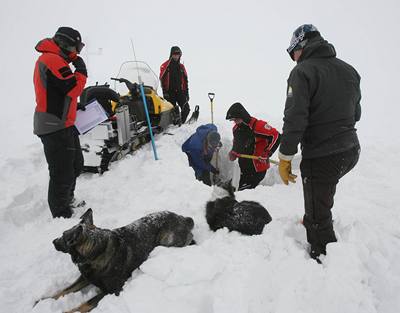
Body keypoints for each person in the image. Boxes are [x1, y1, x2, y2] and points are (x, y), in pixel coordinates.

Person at [278, 24, 361, 262]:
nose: (293, 59)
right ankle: (319, 210)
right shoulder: (350, 71)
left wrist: (285, 156)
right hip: (351, 150)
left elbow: (295, 118)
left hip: (323, 154)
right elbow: (356, 113)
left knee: (317, 218)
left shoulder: (302, 72)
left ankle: (324, 262)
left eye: (292, 52)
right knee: (322, 193)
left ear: (300, 46)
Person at [33, 27, 88, 218]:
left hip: (64, 123)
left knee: (75, 165)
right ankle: (60, 213)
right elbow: (73, 87)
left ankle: (67, 197)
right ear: (65, 45)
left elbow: (60, 92)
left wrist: (74, 106)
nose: (76, 53)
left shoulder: (56, 59)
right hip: (53, 125)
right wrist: (81, 70)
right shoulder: (51, 59)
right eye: (76, 48)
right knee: (61, 171)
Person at [226, 103, 281, 191]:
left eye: (236, 119)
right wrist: (234, 151)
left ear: (242, 116)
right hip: (243, 169)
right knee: (229, 189)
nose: (235, 122)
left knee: (239, 192)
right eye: (233, 120)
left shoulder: (258, 126)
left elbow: (277, 136)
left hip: (257, 170)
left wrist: (267, 153)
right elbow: (237, 143)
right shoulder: (236, 129)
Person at [160, 46, 190, 124]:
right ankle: (174, 125)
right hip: (170, 93)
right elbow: (162, 79)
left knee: (186, 109)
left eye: (178, 54)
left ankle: (182, 123)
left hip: (180, 92)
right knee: (172, 112)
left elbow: (186, 81)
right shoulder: (165, 66)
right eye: (174, 54)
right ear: (171, 54)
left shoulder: (181, 67)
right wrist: (164, 92)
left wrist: (187, 93)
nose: (176, 56)